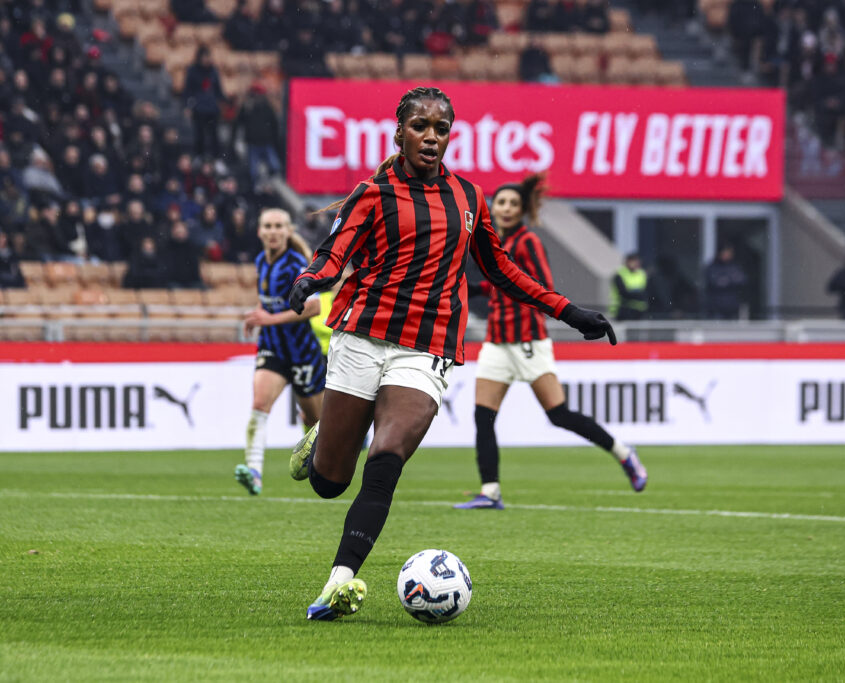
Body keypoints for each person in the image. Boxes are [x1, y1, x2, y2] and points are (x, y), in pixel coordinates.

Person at [284, 87, 617, 621]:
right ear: (399, 132)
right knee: (329, 482)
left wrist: (569, 310)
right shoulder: (373, 193)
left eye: (441, 128)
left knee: (387, 457)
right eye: (421, 126)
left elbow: (501, 268)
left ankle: (339, 581)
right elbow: (333, 254)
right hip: (362, 335)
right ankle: (323, 438)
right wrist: (310, 281)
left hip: (428, 347)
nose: (432, 137)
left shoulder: (468, 198)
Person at [455, 175, 646, 511]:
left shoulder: (528, 242)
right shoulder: (495, 243)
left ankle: (624, 454)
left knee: (559, 415)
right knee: (483, 417)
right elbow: (503, 285)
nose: (507, 208)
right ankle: (490, 491)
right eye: (501, 202)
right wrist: (477, 289)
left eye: (514, 203)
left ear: (522, 210)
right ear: (492, 207)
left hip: (528, 341)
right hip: (497, 343)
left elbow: (540, 285)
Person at [233, 208, 326, 496]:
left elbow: (315, 306)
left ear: (288, 231)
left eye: (278, 226)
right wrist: (259, 315)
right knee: (260, 404)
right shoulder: (261, 261)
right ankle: (254, 471)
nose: (273, 231)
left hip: (302, 351)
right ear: (260, 232)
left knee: (315, 421)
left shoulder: (297, 264)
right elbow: (273, 304)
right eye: (268, 226)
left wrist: (268, 319)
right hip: (273, 347)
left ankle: (317, 469)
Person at [703, 243, 747, 320]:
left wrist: (726, 280)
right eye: (726, 252)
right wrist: (731, 279)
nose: (728, 255)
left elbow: (742, 280)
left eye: (730, 253)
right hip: (716, 308)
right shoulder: (713, 267)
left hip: (732, 308)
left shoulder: (734, 266)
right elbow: (716, 282)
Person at [609, 252, 648, 321]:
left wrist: (634, 293)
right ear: (627, 262)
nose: (636, 263)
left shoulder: (642, 274)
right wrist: (639, 294)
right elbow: (624, 293)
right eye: (633, 261)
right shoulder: (620, 274)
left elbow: (646, 292)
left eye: (637, 261)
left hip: (639, 311)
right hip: (622, 310)